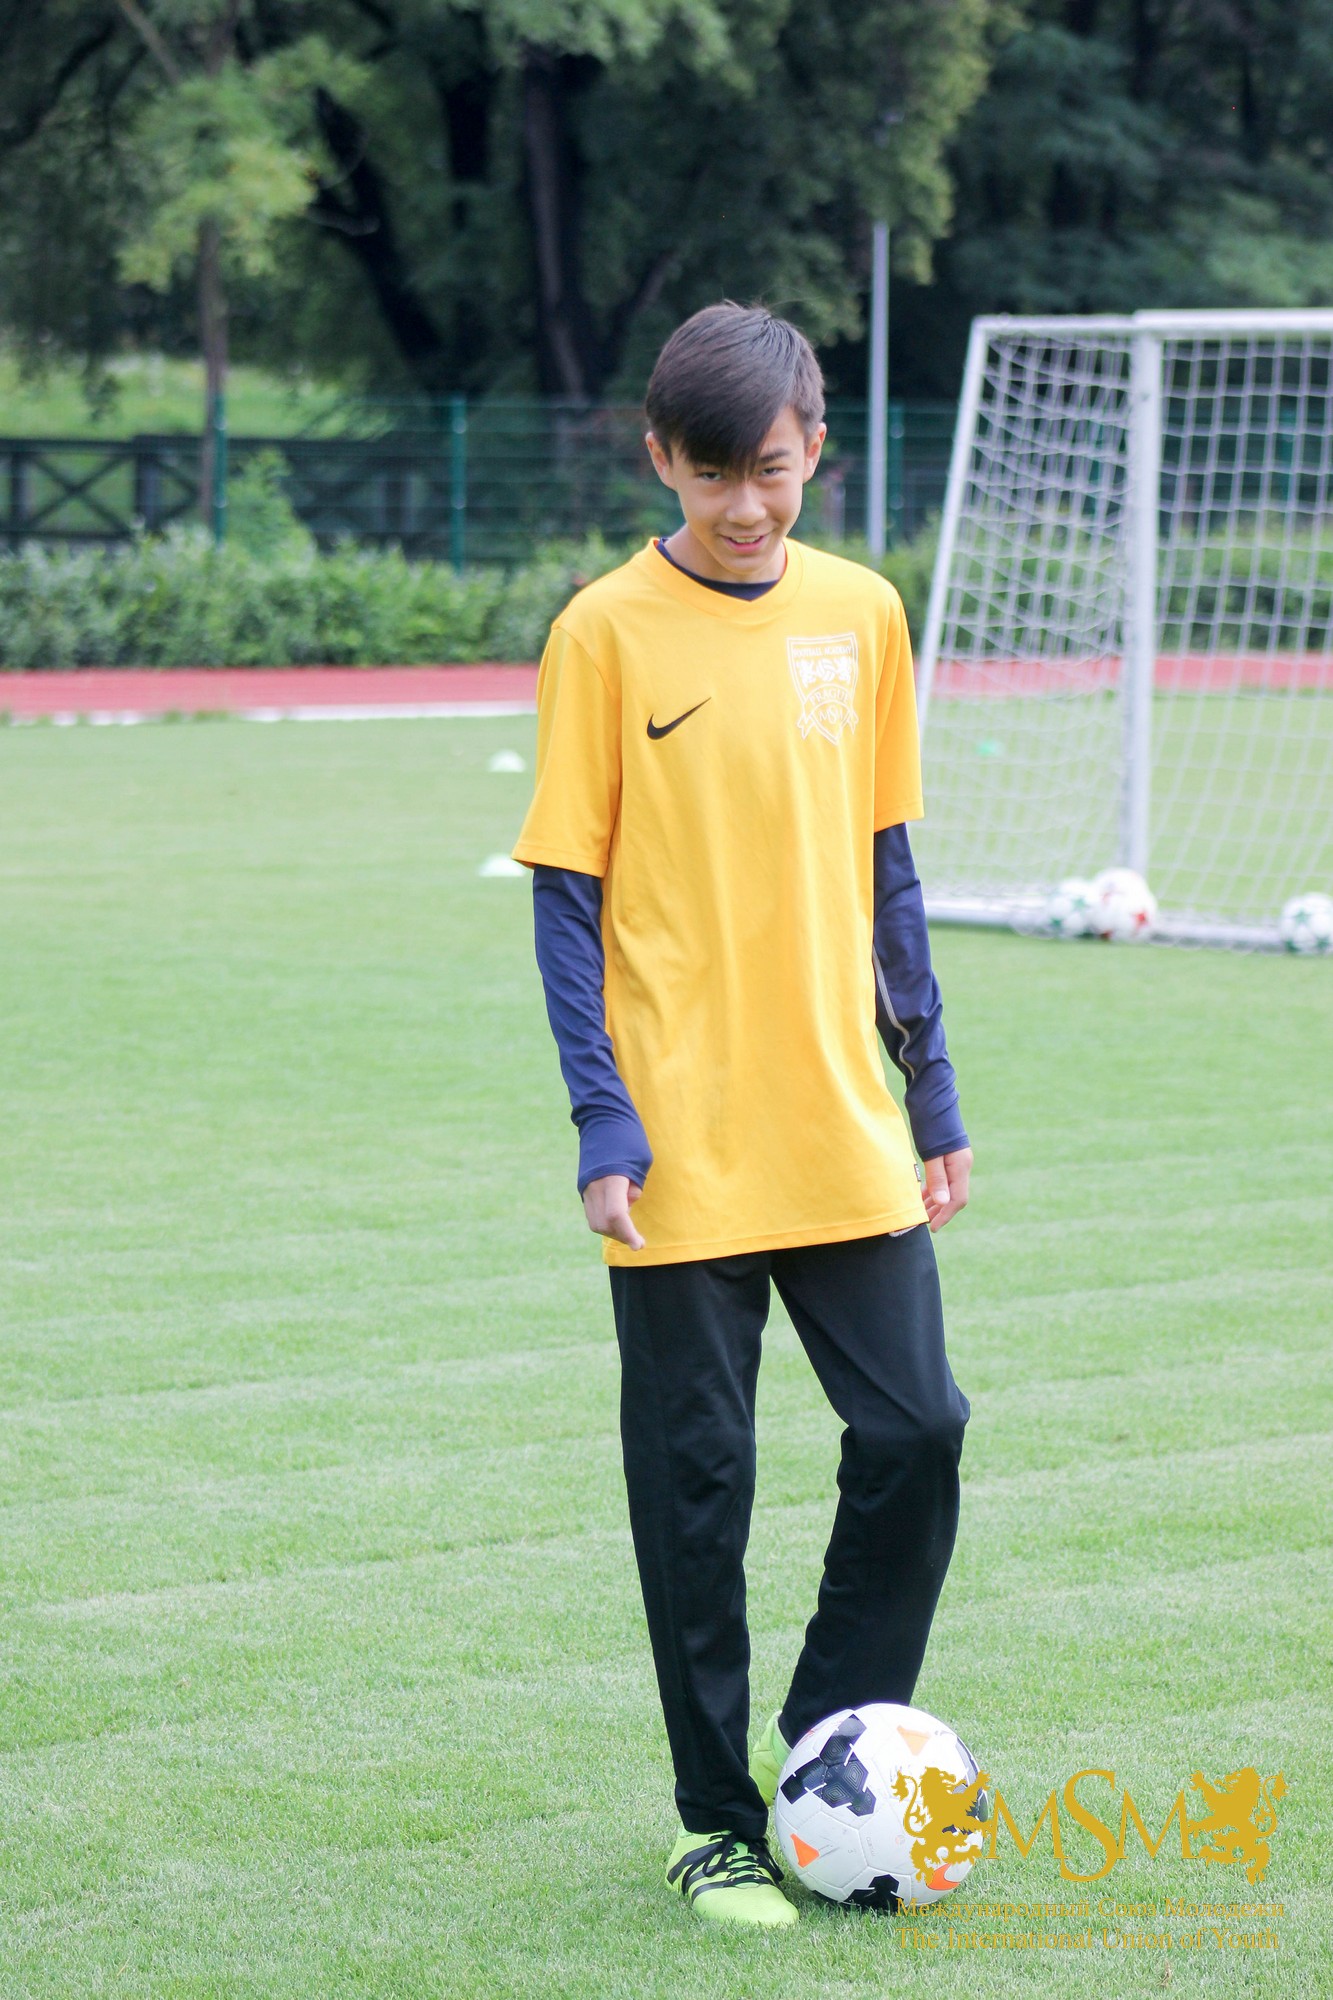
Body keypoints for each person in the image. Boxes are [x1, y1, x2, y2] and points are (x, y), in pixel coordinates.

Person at [512, 302, 973, 1929]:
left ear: (813, 451)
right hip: (676, 1144)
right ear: (661, 459)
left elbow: (887, 866)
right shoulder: (601, 633)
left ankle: (820, 1750)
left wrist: (930, 1088)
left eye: (768, 470)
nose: (743, 505)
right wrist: (601, 1119)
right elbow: (563, 897)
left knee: (917, 1431)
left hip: (839, 1121)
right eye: (712, 475)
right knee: (697, 1486)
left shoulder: (862, 614)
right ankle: (713, 1821)